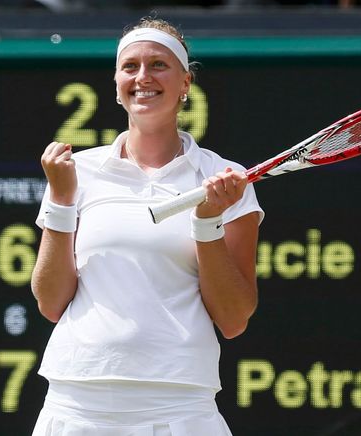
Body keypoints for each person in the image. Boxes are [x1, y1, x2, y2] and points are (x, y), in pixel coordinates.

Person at [30, 16, 264, 436]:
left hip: (181, 406)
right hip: (76, 402)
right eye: (130, 66)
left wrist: (207, 222)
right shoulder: (74, 173)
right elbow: (50, 302)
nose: (143, 77)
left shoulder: (227, 178)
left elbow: (233, 318)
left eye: (158, 65)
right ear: (117, 83)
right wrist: (62, 201)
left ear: (185, 83)